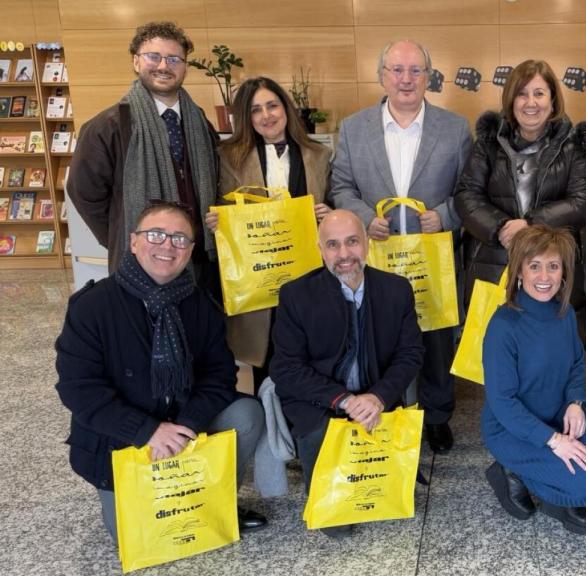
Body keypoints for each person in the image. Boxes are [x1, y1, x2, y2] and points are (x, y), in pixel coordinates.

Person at [55, 202, 268, 545]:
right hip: (120, 438)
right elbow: (78, 389)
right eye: (156, 235)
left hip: (182, 423)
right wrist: (148, 431)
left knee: (247, 412)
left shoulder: (200, 305)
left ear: (190, 251)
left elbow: (219, 375)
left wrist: (185, 427)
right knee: (135, 539)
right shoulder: (92, 306)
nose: (168, 245)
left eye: (180, 238)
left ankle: (217, 498)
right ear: (134, 242)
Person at [330, 40, 471, 454]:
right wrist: (362, 217)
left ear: (428, 77)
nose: (406, 79)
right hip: (378, 256)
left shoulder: (455, 128)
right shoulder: (354, 128)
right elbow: (341, 186)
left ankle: (437, 415)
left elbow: (469, 191)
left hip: (432, 258)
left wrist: (445, 215)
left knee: (436, 339)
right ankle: (384, 408)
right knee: (378, 335)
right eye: (397, 70)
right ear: (382, 76)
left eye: (415, 70)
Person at [481, 225, 586, 535]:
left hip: (559, 408)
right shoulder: (503, 325)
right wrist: (555, 440)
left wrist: (575, 402)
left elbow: (575, 364)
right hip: (512, 428)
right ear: (519, 270)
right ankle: (511, 471)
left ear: (563, 271)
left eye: (553, 266)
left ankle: (566, 482)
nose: (544, 276)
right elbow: (502, 403)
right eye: (534, 266)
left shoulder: (564, 312)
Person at [270, 209, 424, 539]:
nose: (344, 254)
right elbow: (286, 368)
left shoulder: (397, 290)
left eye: (352, 242)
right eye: (333, 245)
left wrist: (378, 397)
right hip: (320, 404)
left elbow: (410, 354)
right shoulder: (296, 295)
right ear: (320, 249)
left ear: (367, 243)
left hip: (376, 398)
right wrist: (344, 400)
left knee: (389, 499)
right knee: (336, 526)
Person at [67, 21, 220, 294]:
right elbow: (84, 193)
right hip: (141, 264)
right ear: (136, 62)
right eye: (153, 56)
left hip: (200, 261)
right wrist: (128, 236)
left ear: (185, 67)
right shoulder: (108, 127)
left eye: (174, 59)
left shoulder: (200, 123)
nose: (163, 66)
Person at [203, 76, 333, 387]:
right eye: (255, 110)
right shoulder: (229, 157)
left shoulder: (318, 154)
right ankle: (268, 410)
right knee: (268, 360)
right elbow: (224, 207)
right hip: (259, 277)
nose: (266, 115)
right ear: (246, 118)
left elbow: (334, 204)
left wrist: (329, 213)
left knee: (314, 352)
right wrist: (218, 222)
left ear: (285, 108)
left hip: (309, 273)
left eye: (272, 105)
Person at [455, 58, 586, 311]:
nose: (531, 102)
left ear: (552, 101)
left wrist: (531, 225)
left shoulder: (573, 146)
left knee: (547, 333)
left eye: (539, 93)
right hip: (494, 264)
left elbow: (582, 202)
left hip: (552, 270)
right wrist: (501, 228)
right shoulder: (488, 143)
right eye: (522, 94)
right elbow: (467, 195)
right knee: (496, 333)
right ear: (511, 100)